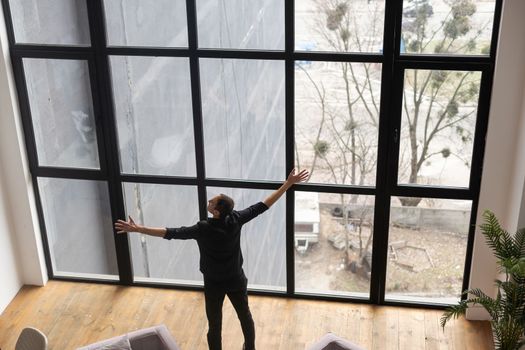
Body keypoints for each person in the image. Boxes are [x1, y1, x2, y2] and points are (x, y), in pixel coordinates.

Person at [114, 168, 309, 350]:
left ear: (216, 211)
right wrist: (288, 183)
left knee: (214, 325)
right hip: (236, 279)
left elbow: (170, 233)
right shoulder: (235, 219)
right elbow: (263, 205)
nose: (208, 202)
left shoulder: (203, 228)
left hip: (214, 283)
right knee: (245, 317)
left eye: (211, 202)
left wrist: (139, 229)